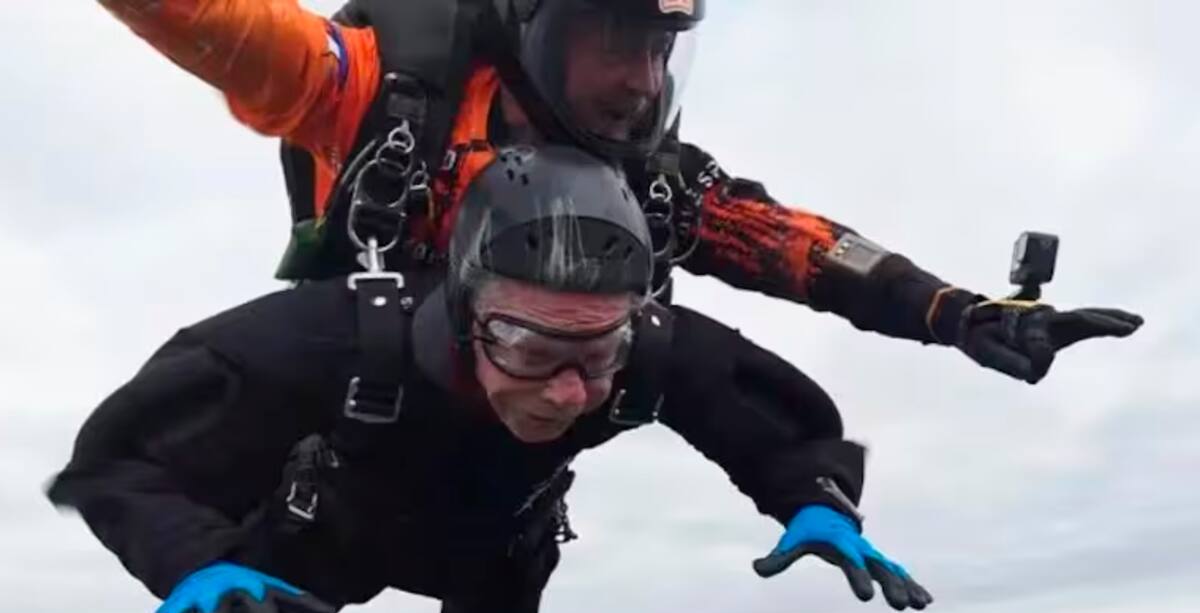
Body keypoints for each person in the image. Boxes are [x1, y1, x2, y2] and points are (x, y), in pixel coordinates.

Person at [47, 146, 930, 613]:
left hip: (493, 527)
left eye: (598, 353)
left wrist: (814, 498)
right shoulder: (331, 341)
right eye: (529, 347)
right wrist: (190, 561)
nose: (567, 392)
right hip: (339, 525)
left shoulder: (647, 350)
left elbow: (770, 411)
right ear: (467, 309)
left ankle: (514, 542)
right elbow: (115, 457)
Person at [94, 0, 1142, 385]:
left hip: (528, 411)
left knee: (498, 612)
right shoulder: (373, 88)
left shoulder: (650, 175)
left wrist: (956, 313)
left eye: (656, 48)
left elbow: (796, 245)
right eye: (612, 39)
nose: (639, 81)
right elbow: (208, 17)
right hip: (363, 383)